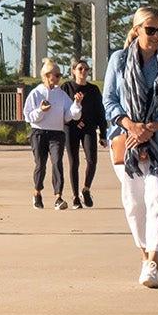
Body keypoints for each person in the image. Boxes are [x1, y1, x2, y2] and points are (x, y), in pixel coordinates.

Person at [101, 6, 158, 288]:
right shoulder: (118, 60)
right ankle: (144, 254)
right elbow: (109, 100)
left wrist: (151, 127)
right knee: (133, 203)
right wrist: (132, 126)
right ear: (137, 30)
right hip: (126, 140)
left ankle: (153, 263)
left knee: (157, 200)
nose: (156, 36)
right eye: (150, 30)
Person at [23, 60, 74, 210]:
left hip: (57, 133)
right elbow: (28, 116)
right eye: (56, 75)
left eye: (60, 75)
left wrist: (77, 105)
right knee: (41, 164)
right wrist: (41, 111)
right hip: (38, 132)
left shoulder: (62, 94)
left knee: (57, 162)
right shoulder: (36, 93)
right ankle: (37, 192)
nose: (58, 78)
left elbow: (69, 114)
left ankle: (58, 196)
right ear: (46, 76)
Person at [62, 58, 106, 209]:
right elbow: (62, 109)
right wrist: (74, 122)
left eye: (86, 69)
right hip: (70, 128)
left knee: (92, 160)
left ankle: (86, 189)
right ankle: (75, 197)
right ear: (73, 71)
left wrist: (103, 134)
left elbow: (100, 112)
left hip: (88, 128)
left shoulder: (93, 90)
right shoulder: (66, 87)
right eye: (80, 68)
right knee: (74, 162)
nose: (83, 72)